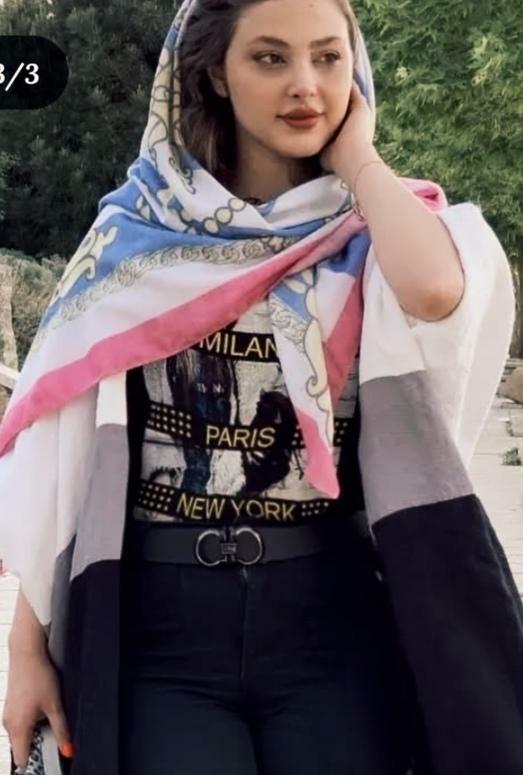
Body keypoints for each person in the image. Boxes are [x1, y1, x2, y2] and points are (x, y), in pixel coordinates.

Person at [1, 0, 522, 774]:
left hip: (330, 618)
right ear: (215, 72)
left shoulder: (373, 228)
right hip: (162, 626)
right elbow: (62, 457)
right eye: (270, 57)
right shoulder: (134, 235)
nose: (305, 84)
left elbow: (435, 291)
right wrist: (26, 646)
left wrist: (358, 160)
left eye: (328, 57)